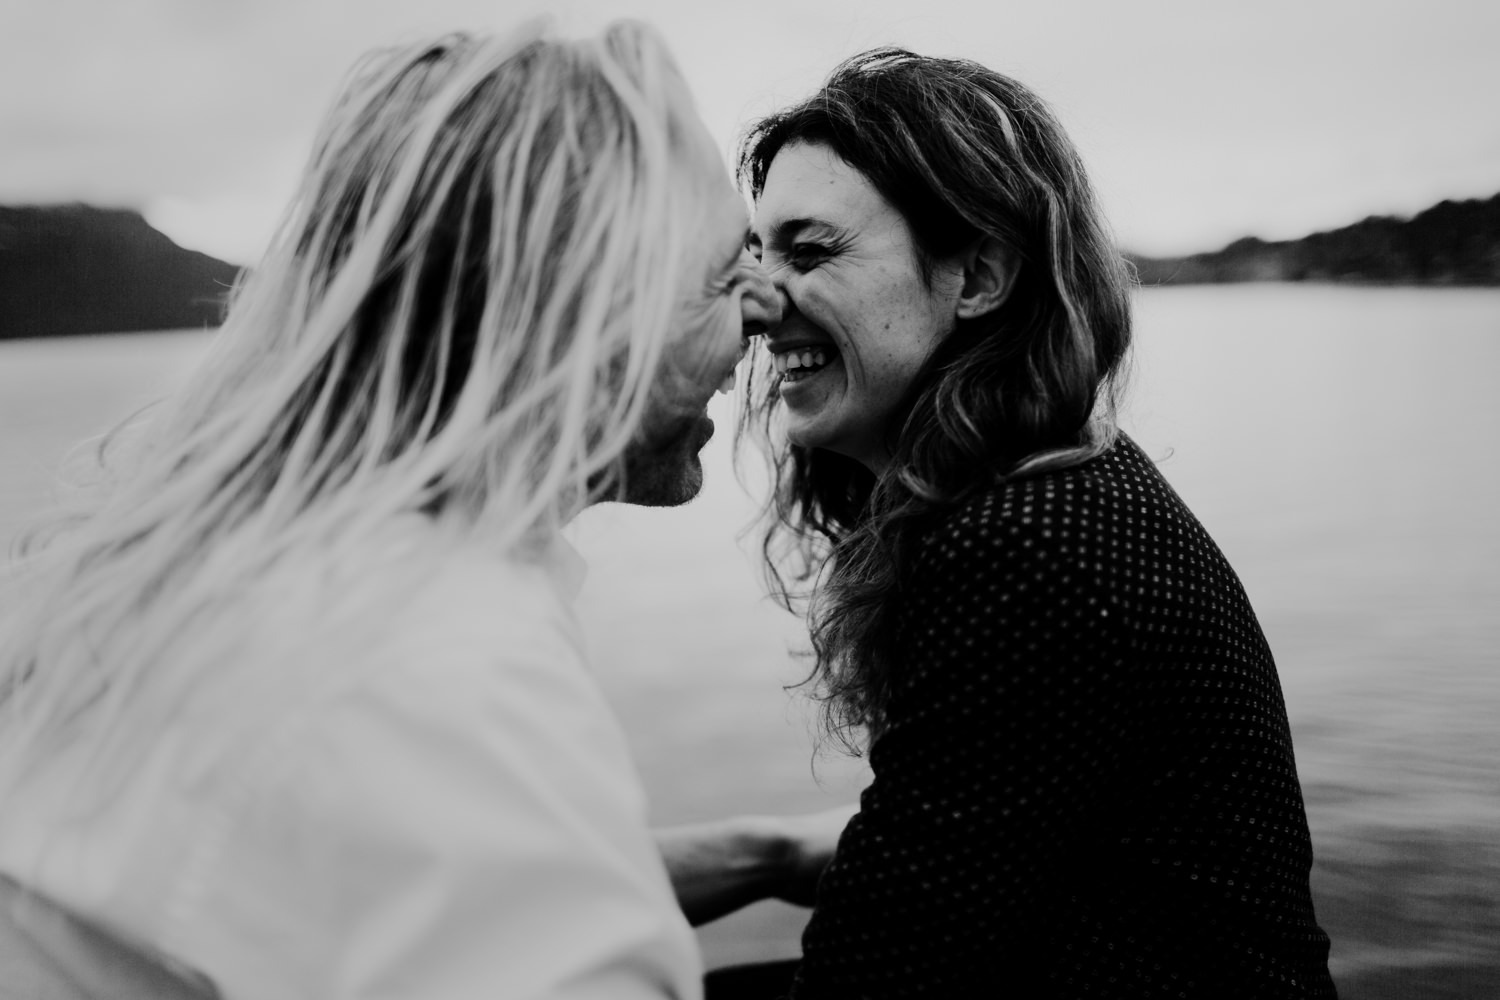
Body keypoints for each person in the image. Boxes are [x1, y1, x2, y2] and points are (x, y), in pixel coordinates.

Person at [0, 21, 783, 999]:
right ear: (578, 314)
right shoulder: (427, 662)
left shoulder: (242, 561)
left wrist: (767, 853)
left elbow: (391, 877)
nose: (768, 306)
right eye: (720, 271)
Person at [689, 48, 1339, 998]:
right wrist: (766, 853)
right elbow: (996, 829)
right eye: (758, 252)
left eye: (811, 250)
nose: (760, 302)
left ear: (981, 274)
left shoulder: (1035, 545)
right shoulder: (1055, 489)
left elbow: (873, 979)